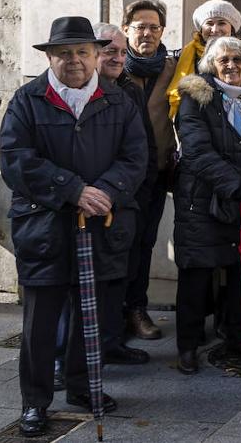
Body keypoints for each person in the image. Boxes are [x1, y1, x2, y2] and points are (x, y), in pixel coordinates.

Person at [0, 16, 146, 437]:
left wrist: (105, 191)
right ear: (49, 57)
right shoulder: (28, 99)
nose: (75, 61)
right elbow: (15, 160)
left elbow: (136, 158)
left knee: (93, 313)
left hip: (102, 223)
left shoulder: (118, 101)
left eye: (83, 52)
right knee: (40, 322)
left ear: (97, 55)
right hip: (43, 226)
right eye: (64, 53)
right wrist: (73, 189)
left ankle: (82, 387)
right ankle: (35, 402)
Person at [172, 36, 241, 375]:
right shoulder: (196, 98)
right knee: (197, 274)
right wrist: (236, 184)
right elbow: (196, 150)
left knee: (240, 271)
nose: (231, 65)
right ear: (211, 65)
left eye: (237, 59)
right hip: (202, 203)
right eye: (223, 60)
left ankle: (237, 335)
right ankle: (188, 346)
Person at [90, 23, 156, 366]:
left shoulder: (129, 90)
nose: (117, 58)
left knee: (121, 275)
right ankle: (74, 356)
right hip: (86, 203)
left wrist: (136, 195)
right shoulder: (80, 91)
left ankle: (112, 342)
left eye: (120, 51)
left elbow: (142, 148)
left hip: (126, 201)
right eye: (109, 51)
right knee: (89, 284)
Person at [118, 0, 177, 341]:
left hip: (155, 172)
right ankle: (116, 311)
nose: (147, 33)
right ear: (126, 30)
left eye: (154, 27)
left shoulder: (173, 68)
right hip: (119, 176)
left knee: (145, 242)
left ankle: (137, 309)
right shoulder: (115, 65)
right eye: (140, 26)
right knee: (120, 244)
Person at [166, 0, 241, 118]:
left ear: (231, 29)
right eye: (209, 23)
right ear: (201, 29)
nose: (215, 29)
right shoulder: (182, 57)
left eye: (222, 23)